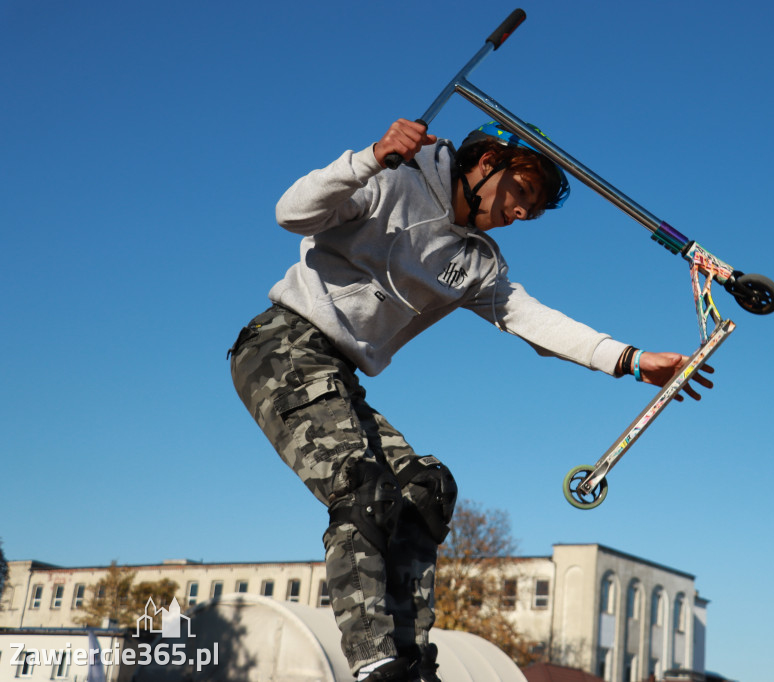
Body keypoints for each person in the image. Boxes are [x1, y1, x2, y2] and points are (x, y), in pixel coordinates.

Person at [228, 118, 713, 682]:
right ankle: (374, 661)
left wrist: (629, 358)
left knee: (424, 489)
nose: (524, 214)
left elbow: (532, 319)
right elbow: (294, 212)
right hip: (281, 346)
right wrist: (369, 158)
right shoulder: (394, 180)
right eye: (523, 193)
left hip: (338, 373)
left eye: (533, 208)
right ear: (486, 163)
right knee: (361, 485)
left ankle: (410, 660)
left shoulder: (479, 261)